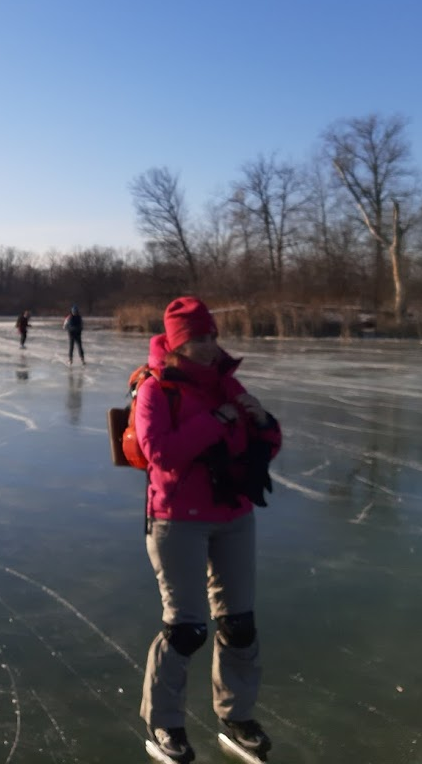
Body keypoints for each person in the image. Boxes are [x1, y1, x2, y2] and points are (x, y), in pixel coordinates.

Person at [135, 296, 282, 763]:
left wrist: (264, 425)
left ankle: (236, 717)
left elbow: (257, 450)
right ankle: (165, 723)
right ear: (177, 345)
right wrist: (215, 421)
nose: (209, 345)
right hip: (176, 519)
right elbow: (161, 453)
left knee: (239, 624)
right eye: (198, 338)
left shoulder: (228, 385)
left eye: (212, 336)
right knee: (187, 629)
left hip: (233, 516)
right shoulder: (156, 389)